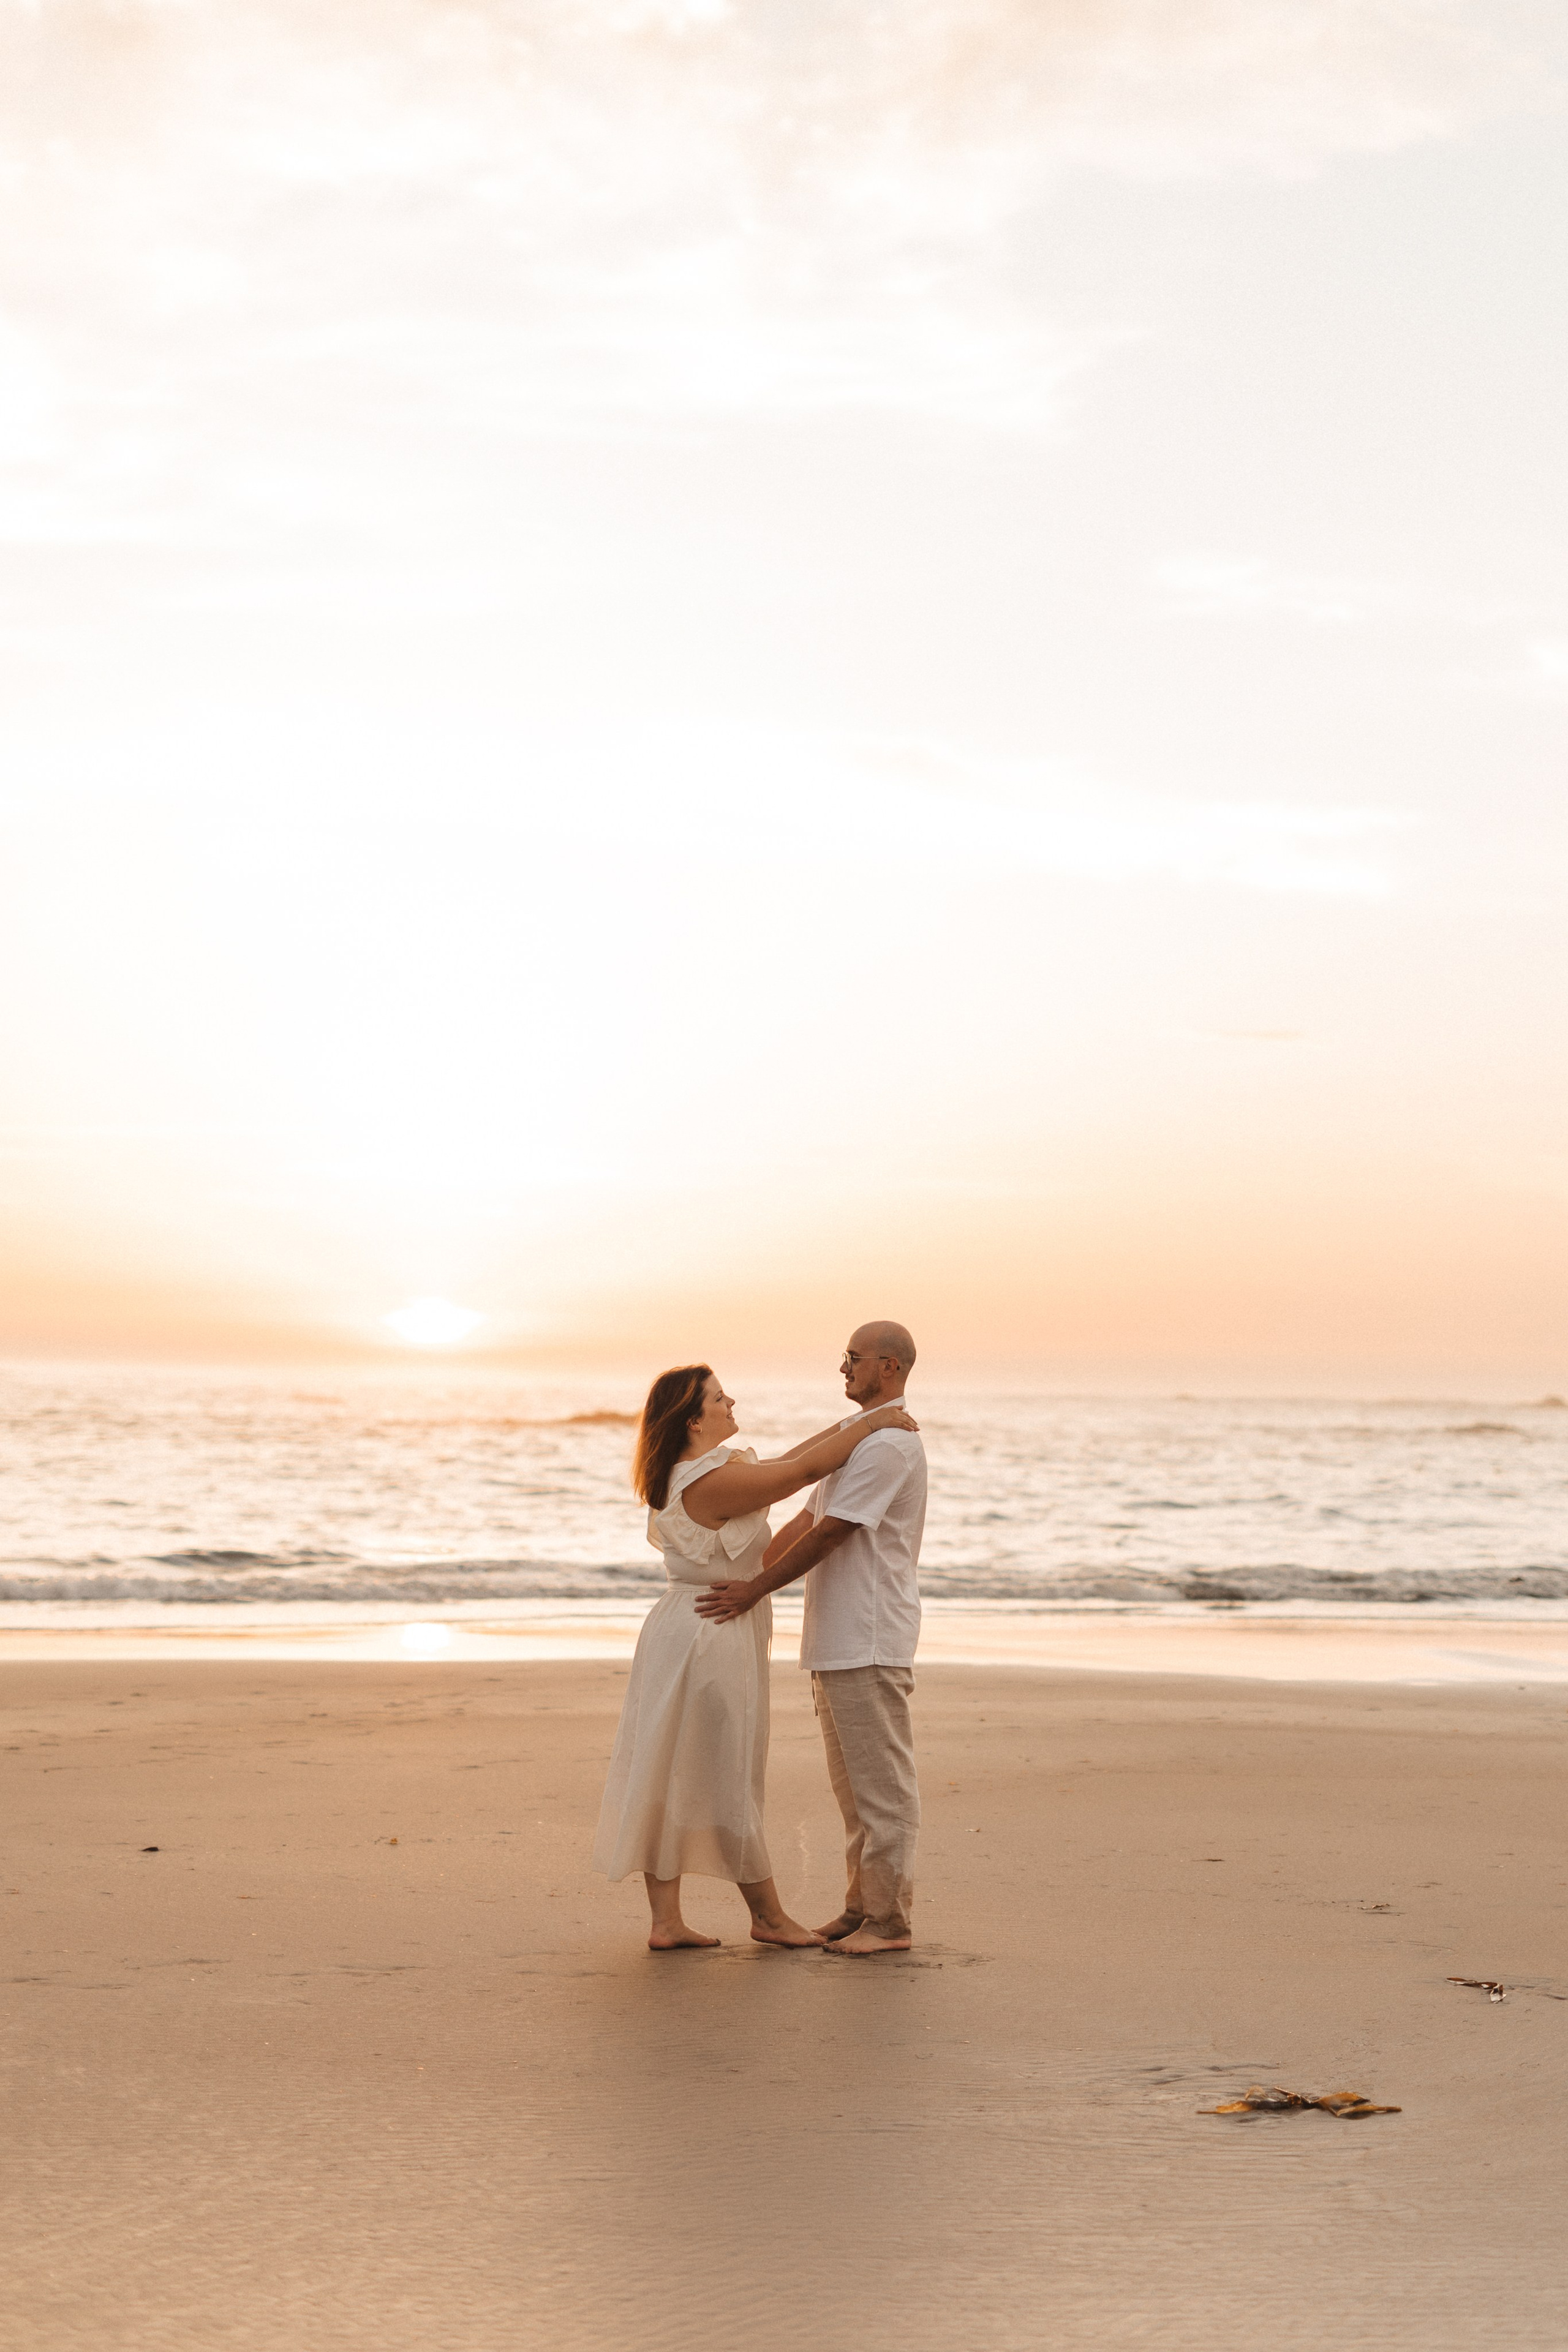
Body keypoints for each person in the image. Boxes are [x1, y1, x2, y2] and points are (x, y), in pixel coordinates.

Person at [592, 1362, 919, 1951]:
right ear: (694, 1419)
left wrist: (861, 1421)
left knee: (672, 1765)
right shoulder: (707, 1481)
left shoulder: (710, 1469)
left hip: (695, 1623)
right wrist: (877, 1425)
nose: (731, 1401)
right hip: (711, 1627)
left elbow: (796, 1457)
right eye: (719, 1398)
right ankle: (766, 1915)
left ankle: (667, 1922)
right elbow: (801, 1471)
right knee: (727, 1769)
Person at [696, 1322, 926, 1956]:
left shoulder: (888, 1446)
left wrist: (755, 1590)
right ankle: (861, 1908)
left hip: (869, 1633)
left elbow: (833, 1535)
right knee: (854, 1789)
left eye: (853, 1359)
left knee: (882, 1787)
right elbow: (804, 1517)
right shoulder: (863, 1439)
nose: (843, 1368)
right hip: (840, 1636)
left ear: (888, 1366)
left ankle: (890, 1923)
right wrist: (738, 1575)